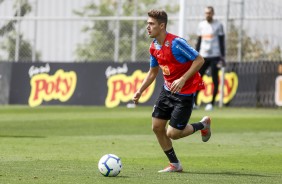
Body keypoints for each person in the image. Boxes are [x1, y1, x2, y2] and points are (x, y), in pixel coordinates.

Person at [132, 9, 212, 173]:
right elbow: (153, 72)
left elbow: (199, 60)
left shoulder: (176, 43)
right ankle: (175, 164)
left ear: (162, 26)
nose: (148, 27)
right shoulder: (154, 46)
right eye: (147, 23)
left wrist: (183, 79)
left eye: (151, 24)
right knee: (156, 127)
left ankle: (203, 125)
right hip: (167, 91)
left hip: (184, 94)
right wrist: (140, 91)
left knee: (173, 133)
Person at [195, 6, 225, 111]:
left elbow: (222, 41)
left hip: (215, 56)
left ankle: (211, 104)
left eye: (209, 13)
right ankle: (195, 103)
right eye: (206, 13)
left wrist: (222, 57)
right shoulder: (201, 25)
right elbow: (199, 42)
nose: (208, 15)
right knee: (198, 79)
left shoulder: (218, 25)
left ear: (213, 13)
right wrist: (195, 55)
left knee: (215, 79)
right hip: (203, 56)